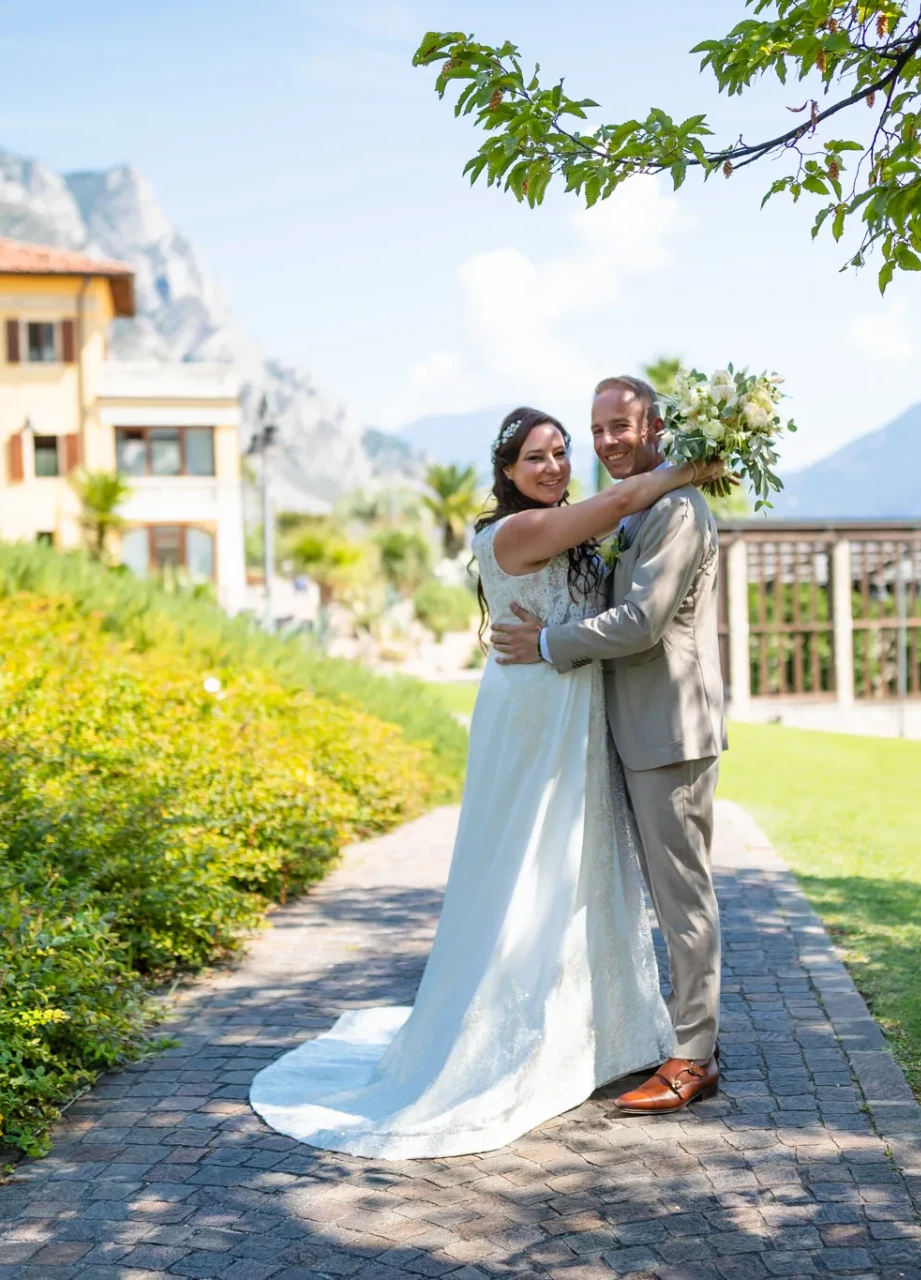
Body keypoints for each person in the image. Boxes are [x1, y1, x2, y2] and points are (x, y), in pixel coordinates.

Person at [248, 406, 716, 1158]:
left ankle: (596, 1025)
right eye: (536, 457)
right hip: (534, 712)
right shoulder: (518, 531)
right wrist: (702, 460)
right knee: (528, 867)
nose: (554, 467)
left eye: (561, 453)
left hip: (573, 703)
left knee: (578, 865)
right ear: (506, 471)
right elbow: (627, 497)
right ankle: (518, 1033)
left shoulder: (566, 523)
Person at [490, 375, 728, 1115]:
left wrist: (548, 642)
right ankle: (671, 1036)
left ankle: (694, 1058)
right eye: (596, 430)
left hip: (669, 728)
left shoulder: (678, 511)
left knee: (682, 898)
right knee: (650, 893)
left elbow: (642, 623)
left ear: (655, 426)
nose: (606, 442)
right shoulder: (639, 508)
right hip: (629, 726)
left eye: (619, 426)